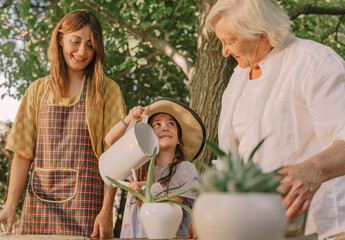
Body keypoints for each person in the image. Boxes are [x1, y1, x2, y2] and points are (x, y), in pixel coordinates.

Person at [206, 0, 345, 239]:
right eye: (221, 41)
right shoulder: (238, 78)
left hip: (330, 227)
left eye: (231, 40)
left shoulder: (314, 61)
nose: (225, 51)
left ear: (262, 33)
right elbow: (231, 161)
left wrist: (314, 170)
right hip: (261, 229)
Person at [0, 9, 126, 238]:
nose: (82, 51)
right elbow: (22, 154)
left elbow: (115, 157)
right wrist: (9, 206)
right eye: (75, 41)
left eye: (90, 44)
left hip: (87, 209)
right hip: (39, 209)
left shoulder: (107, 91)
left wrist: (106, 210)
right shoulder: (37, 90)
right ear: (60, 39)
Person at [105, 98, 206, 238]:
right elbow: (110, 141)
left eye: (171, 124)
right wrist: (130, 118)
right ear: (148, 136)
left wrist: (147, 190)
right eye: (157, 125)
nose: (165, 127)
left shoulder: (185, 168)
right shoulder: (138, 166)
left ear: (178, 140)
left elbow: (172, 204)